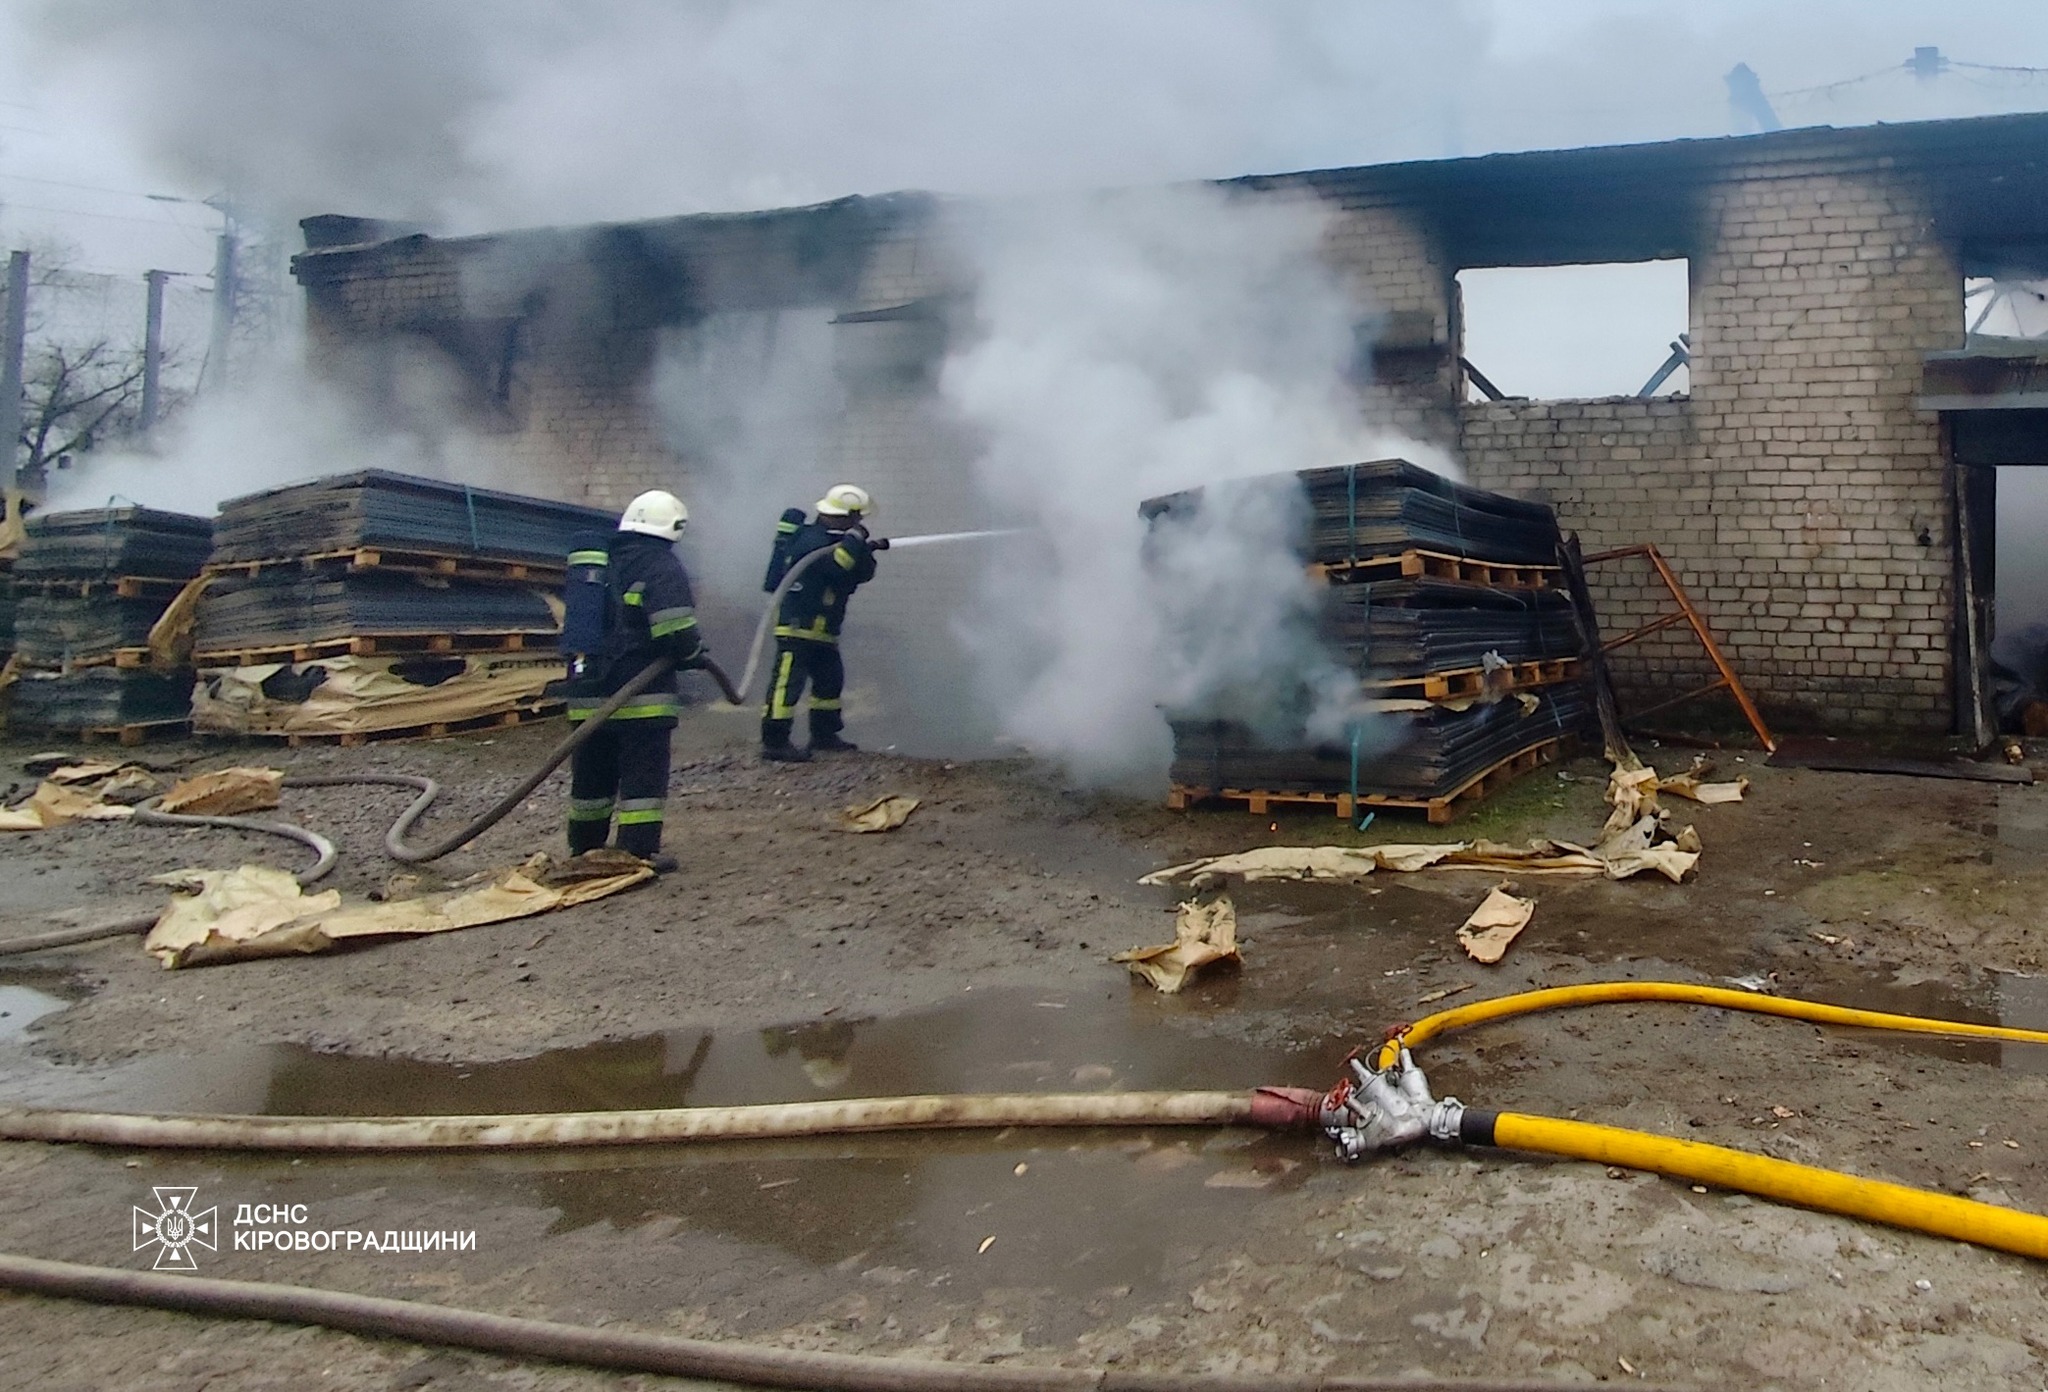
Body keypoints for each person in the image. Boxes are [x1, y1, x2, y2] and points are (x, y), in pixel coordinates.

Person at [559, 489, 702, 872]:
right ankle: (636, 852)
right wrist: (693, 655)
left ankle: (583, 849)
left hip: (587, 693)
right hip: (640, 696)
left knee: (591, 779)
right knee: (642, 781)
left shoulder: (601, 561)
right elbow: (676, 627)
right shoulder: (659, 564)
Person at [759, 483, 881, 762]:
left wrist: (861, 548)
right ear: (844, 515)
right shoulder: (809, 539)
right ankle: (775, 741)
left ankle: (824, 735)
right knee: (787, 684)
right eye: (856, 517)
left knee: (830, 682)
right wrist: (854, 539)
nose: (859, 522)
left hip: (824, 630)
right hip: (797, 626)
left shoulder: (836, 541)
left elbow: (862, 572)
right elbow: (838, 567)